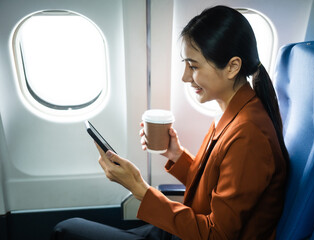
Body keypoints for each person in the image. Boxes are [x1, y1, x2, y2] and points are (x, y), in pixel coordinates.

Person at [52, 5, 289, 240]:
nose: (185, 77)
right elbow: (214, 189)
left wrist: (138, 188)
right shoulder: (235, 111)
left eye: (194, 66)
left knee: (66, 230)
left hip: (199, 233)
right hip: (188, 228)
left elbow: (217, 234)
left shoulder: (249, 135)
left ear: (232, 66)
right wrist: (176, 155)